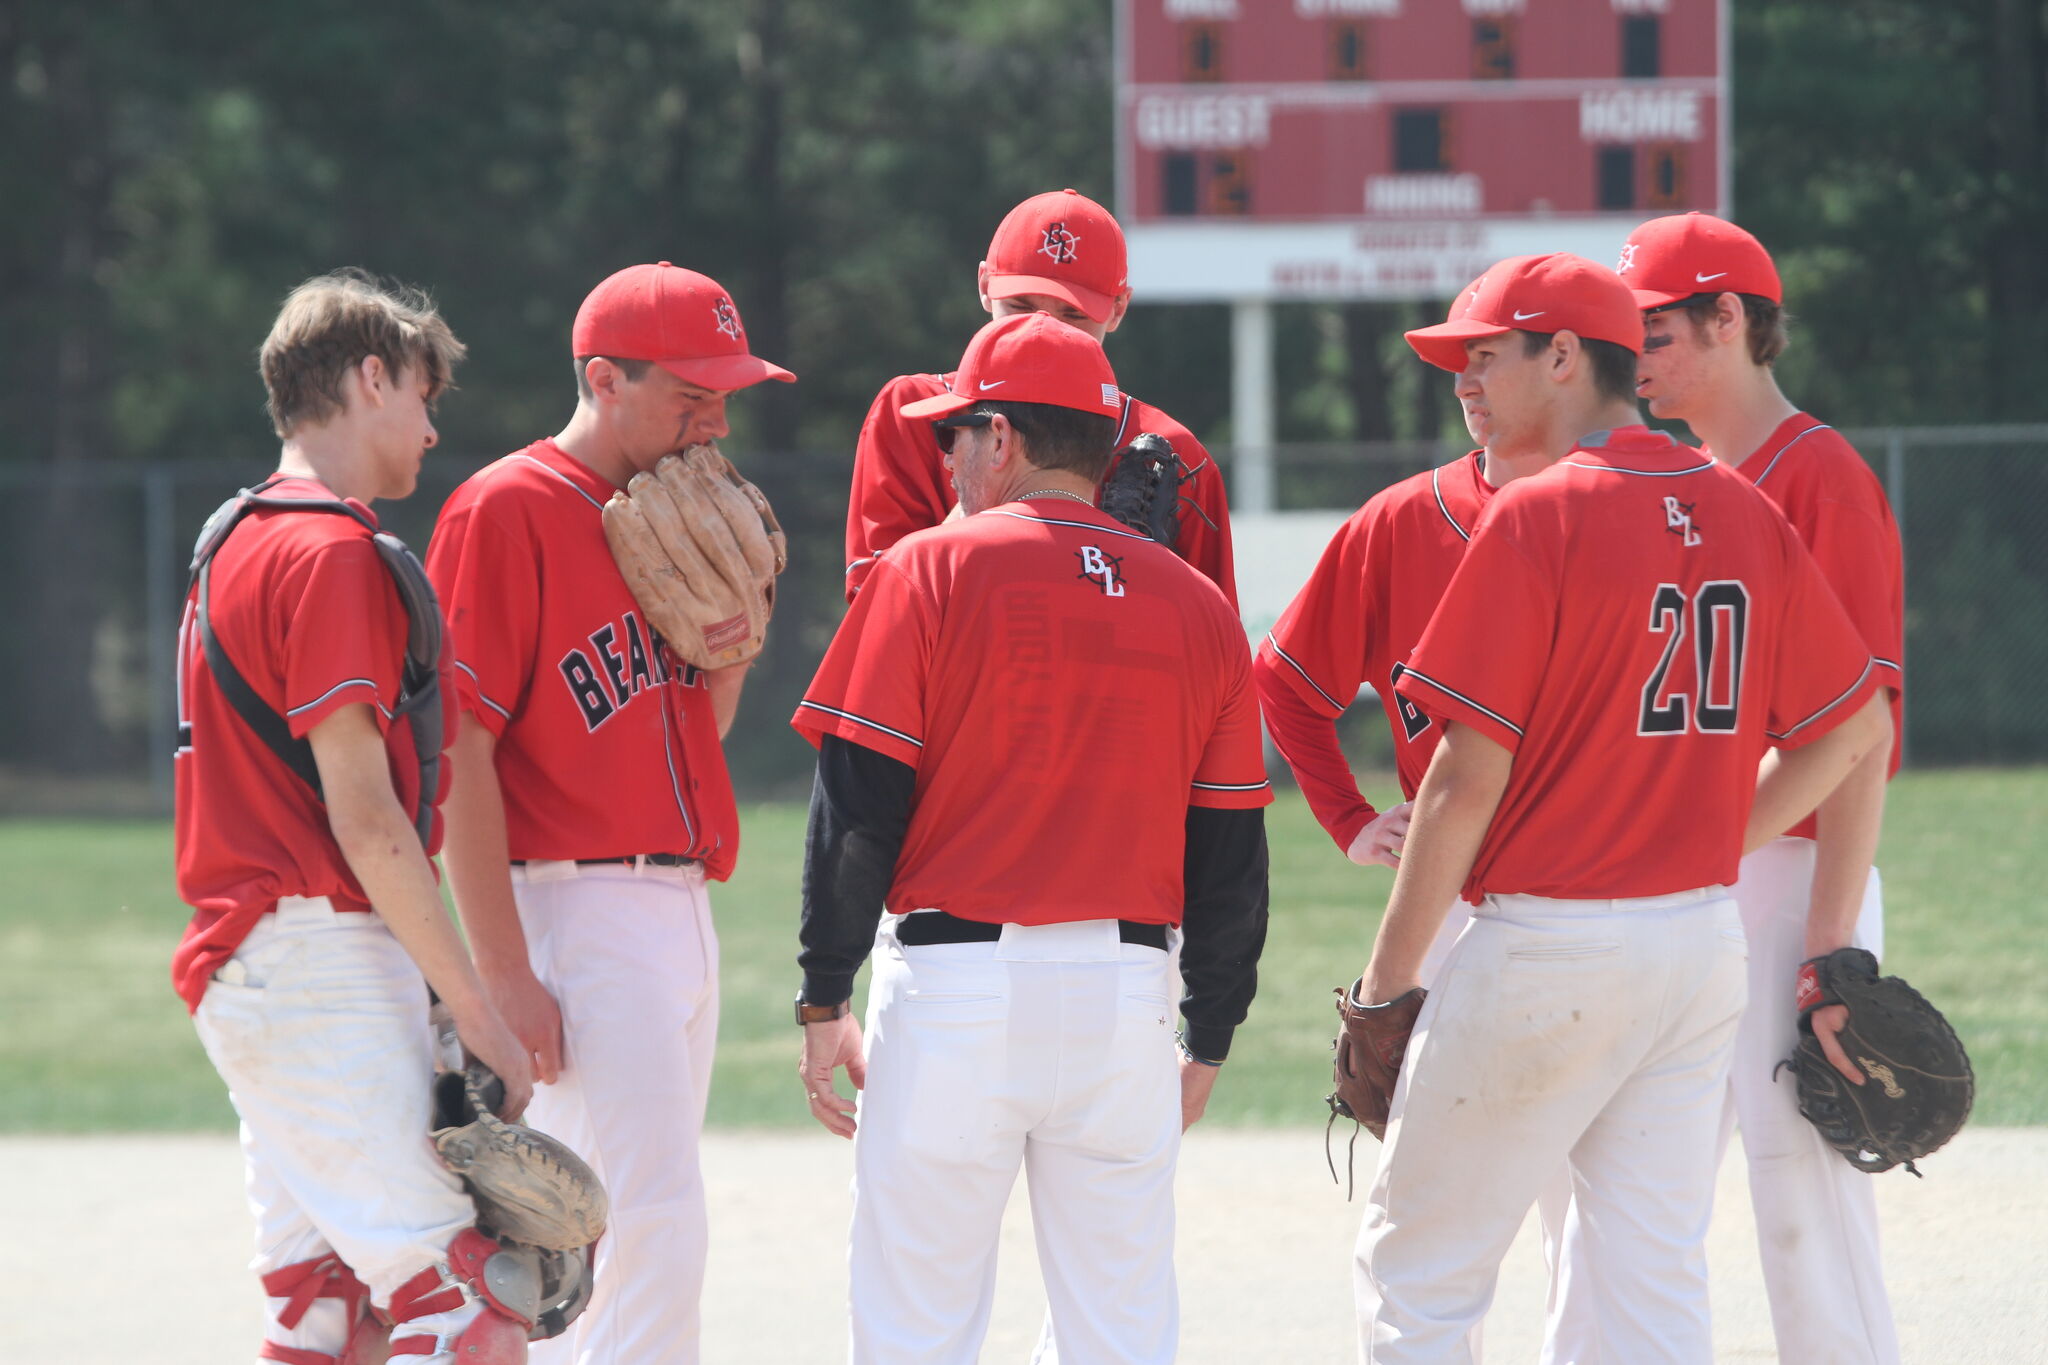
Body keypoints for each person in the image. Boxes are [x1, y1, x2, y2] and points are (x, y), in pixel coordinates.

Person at [1349, 253, 1893, 1363]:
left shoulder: (1535, 517)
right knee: (1646, 1279)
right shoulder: (1739, 508)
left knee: (1418, 1273)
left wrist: (1385, 986)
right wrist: (1705, 839)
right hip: (1692, 945)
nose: (1466, 383)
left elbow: (1458, 781)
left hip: (1544, 941)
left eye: (1486, 357)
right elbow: (1850, 732)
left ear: (1561, 358)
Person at [792, 311, 1272, 1364]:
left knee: (916, 1326)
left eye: (954, 433)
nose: (944, 454)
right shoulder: (1198, 608)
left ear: (1000, 439)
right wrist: (1213, 1029)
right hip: (1126, 1004)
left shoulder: (923, 569)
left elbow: (856, 811)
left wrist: (823, 995)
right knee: (1121, 1328)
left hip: (956, 996)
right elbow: (1230, 855)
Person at [1529, 210, 1902, 1365]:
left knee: (1802, 1200)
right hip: (1677, 886)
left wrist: (1830, 949)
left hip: (1785, 879)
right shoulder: (1677, 481)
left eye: (1653, 327)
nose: (1627, 351)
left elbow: (1860, 732)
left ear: (1728, 319)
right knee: (1625, 1182)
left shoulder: (1818, 480)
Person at [426, 262, 794, 1365]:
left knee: (606, 1236)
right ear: (603, 378)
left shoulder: (670, 517)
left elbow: (685, 740)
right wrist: (499, 973)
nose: (715, 420)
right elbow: (462, 756)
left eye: (726, 394)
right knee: (653, 1226)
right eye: (692, 393)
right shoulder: (506, 508)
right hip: (571, 908)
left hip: (675, 903)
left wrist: (726, 654)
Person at [173, 269, 537, 1365]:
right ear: (368, 378)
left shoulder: (231, 539)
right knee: (468, 1308)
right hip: (314, 960)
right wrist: (476, 1009)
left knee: (330, 1309)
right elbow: (366, 817)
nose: (430, 428)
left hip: (258, 964)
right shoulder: (329, 552)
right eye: (422, 396)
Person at [843, 187, 1237, 607]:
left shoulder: (1175, 454)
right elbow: (877, 610)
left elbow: (1216, 646)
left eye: (1073, 315)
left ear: (1119, 308)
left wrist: (1144, 575)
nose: (1044, 330)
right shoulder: (914, 410)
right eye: (1021, 306)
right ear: (984, 286)